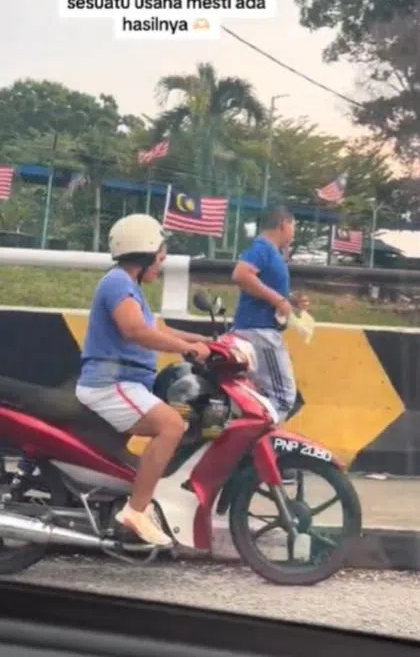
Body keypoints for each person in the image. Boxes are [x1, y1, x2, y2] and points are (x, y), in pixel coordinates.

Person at [75, 214, 212, 547]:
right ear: (147, 253)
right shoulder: (118, 283)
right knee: (171, 426)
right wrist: (186, 349)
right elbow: (135, 332)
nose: (161, 264)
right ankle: (137, 510)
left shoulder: (127, 285)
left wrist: (207, 339)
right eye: (161, 257)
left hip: (125, 383)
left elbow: (155, 329)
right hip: (111, 384)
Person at [230, 206, 308, 420]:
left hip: (256, 330)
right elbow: (241, 274)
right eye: (293, 226)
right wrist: (278, 299)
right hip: (260, 334)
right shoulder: (262, 248)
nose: (294, 232)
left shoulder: (270, 252)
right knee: (283, 397)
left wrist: (289, 302)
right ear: (283, 224)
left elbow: (261, 288)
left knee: (256, 394)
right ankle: (252, 442)